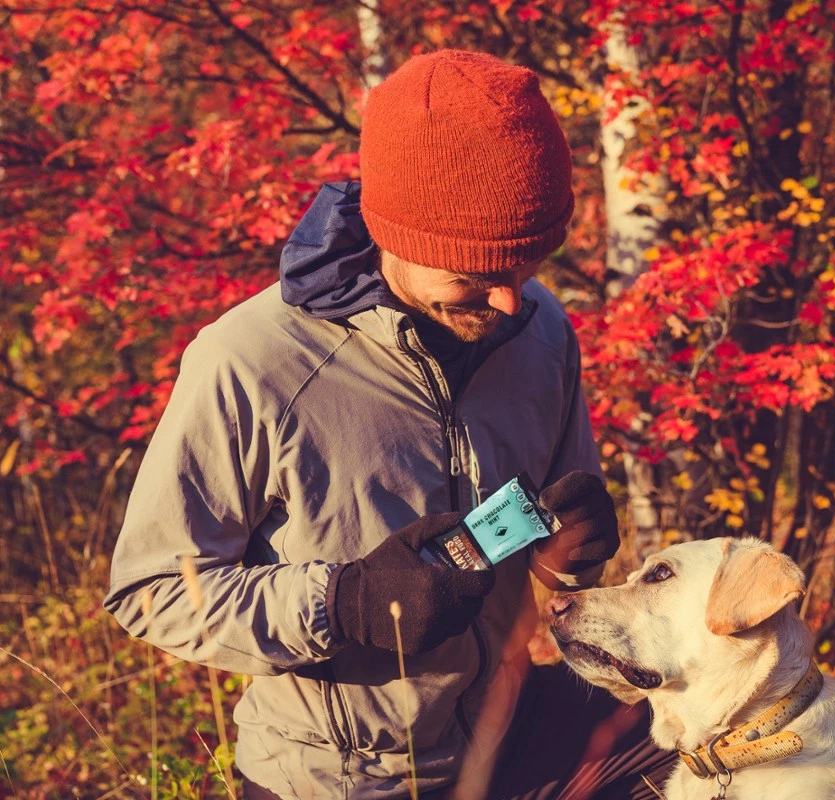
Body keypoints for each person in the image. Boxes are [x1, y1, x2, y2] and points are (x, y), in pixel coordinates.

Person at [104, 49, 675, 799]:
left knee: (717, 752)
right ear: (394, 234)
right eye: (473, 275)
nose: (509, 302)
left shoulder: (543, 333)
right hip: (341, 777)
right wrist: (342, 603)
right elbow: (151, 591)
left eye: (526, 265)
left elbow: (556, 551)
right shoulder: (251, 362)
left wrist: (573, 552)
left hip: (513, 740)